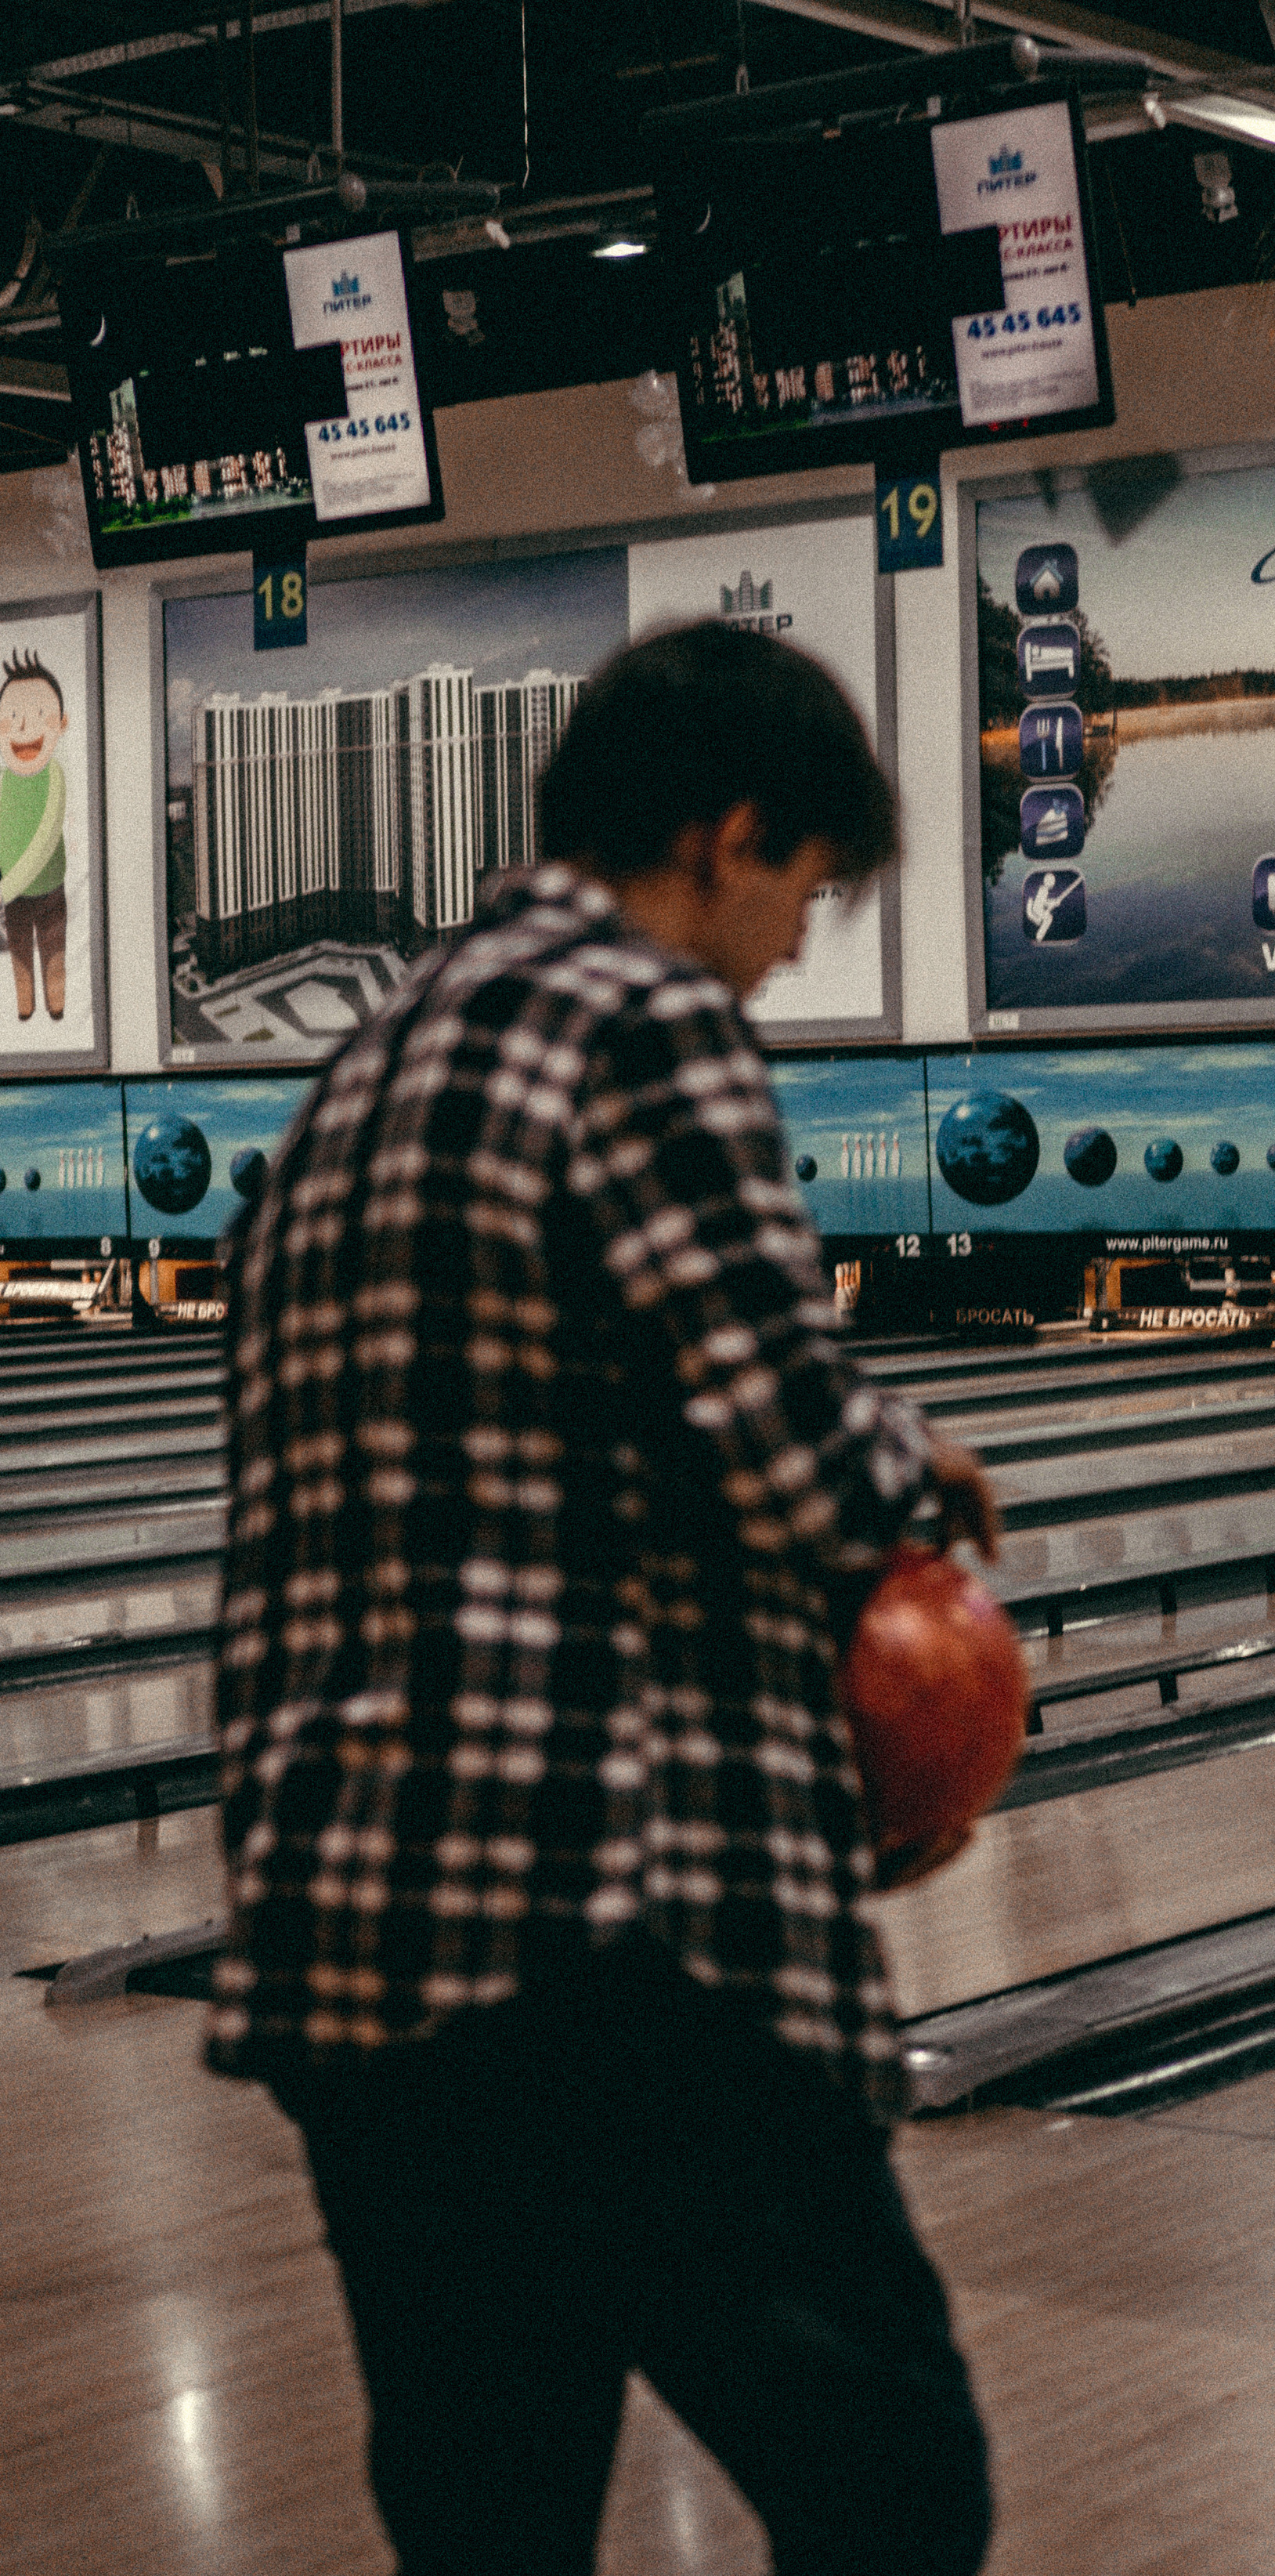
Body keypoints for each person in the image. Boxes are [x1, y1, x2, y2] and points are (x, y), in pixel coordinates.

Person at [208, 620, 1001, 2576]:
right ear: (728, 833)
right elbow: (788, 1448)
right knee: (893, 2488)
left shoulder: (357, 1076)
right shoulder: (636, 1022)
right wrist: (926, 1474)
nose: (794, 944)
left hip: (362, 1956)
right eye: (806, 890)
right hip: (606, 1943)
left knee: (490, 2521)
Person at [0, 646, 67, 1022]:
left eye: (39, 715)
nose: (25, 727)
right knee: (20, 956)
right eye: (12, 717)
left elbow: (45, 837)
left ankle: (56, 1009)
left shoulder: (53, 776)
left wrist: (4, 888)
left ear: (61, 723)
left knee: (54, 953)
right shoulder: (3, 782)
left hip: (49, 891)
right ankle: (25, 1010)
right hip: (12, 898)